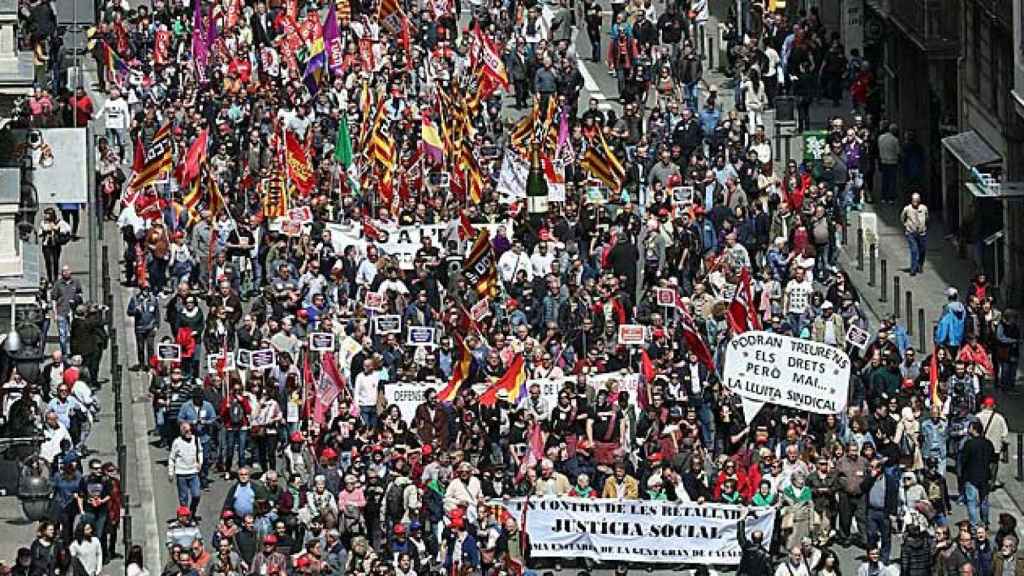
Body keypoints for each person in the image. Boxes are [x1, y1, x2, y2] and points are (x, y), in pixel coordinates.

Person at [961, 421, 995, 527]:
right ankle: (985, 521)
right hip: (985, 476)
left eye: (969, 428)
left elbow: (964, 460)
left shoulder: (969, 444)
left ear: (974, 429)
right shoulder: (988, 443)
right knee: (984, 500)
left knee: (971, 502)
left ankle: (974, 524)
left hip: (971, 476)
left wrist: (962, 474)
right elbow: (993, 460)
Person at [901, 192, 928, 276]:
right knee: (914, 251)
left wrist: (924, 226)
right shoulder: (907, 209)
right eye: (913, 200)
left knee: (922, 250)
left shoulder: (924, 208)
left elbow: (927, 217)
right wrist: (906, 225)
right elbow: (902, 218)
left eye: (916, 200)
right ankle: (913, 269)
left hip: (921, 233)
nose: (915, 202)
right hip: (911, 233)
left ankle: (920, 265)